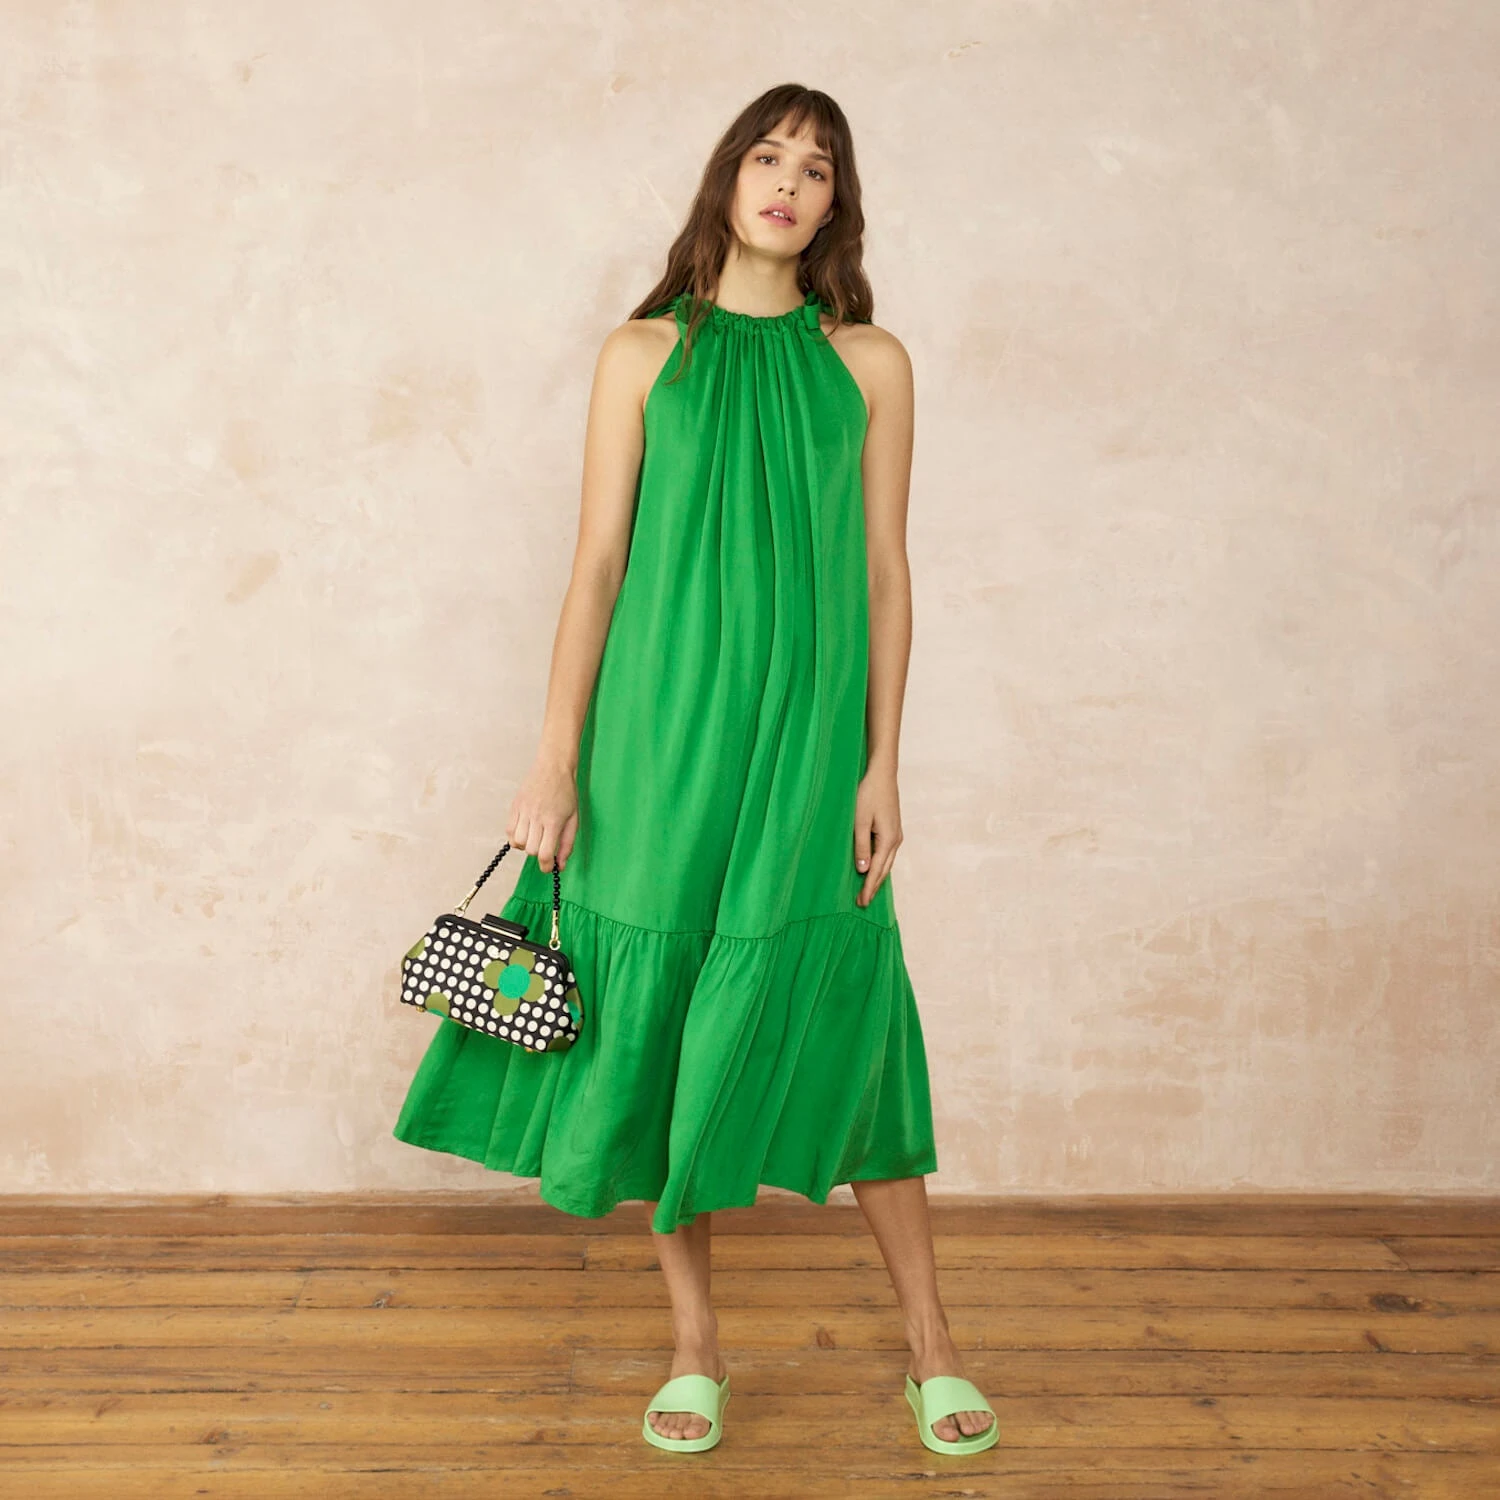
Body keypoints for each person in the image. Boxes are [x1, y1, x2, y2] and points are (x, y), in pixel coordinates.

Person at [393, 83, 997, 1458]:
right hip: (655, 745)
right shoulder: (641, 353)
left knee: (848, 1020)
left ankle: (933, 1345)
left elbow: (887, 575)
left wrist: (882, 764)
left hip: (807, 753)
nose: (788, 182)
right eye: (767, 157)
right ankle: (695, 1348)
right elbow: (598, 564)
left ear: (838, 205)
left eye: (817, 168)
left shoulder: (870, 365)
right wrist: (555, 761)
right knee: (657, 1025)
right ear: (727, 178)